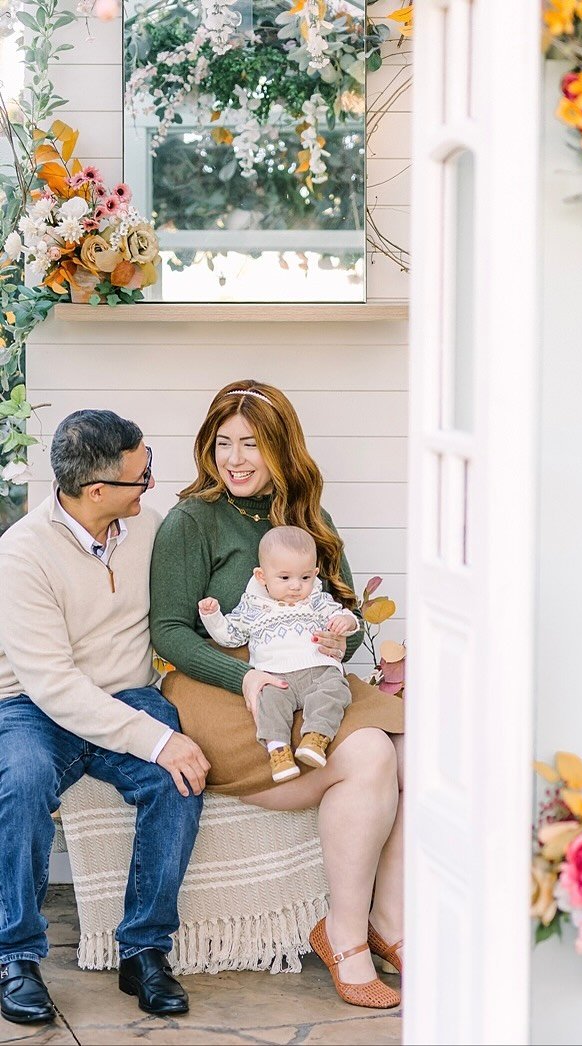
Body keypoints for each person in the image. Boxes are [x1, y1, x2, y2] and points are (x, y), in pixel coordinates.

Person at [150, 380, 405, 1009]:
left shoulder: (310, 521)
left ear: (281, 451)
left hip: (307, 671)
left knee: (413, 742)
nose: (235, 459)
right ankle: (343, 938)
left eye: (253, 445)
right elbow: (171, 631)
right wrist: (242, 675)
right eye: (224, 443)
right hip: (222, 679)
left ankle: (390, 920)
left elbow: (342, 611)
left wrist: (335, 638)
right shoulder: (191, 521)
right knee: (369, 755)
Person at [0, 411, 210, 1027]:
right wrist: (154, 738)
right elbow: (53, 683)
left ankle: (144, 949)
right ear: (98, 492)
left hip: (127, 693)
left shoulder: (147, 524)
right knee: (20, 782)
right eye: (141, 476)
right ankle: (14, 954)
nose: (151, 485)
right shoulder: (21, 554)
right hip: (35, 706)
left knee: (181, 775)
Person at [198, 524, 359, 783]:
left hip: (318, 670)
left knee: (335, 691)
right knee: (268, 703)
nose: (296, 586)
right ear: (262, 576)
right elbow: (230, 636)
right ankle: (279, 751)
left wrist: (346, 623)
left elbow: (342, 613)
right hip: (275, 676)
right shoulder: (253, 607)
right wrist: (212, 616)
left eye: (305, 577)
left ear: (315, 573)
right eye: (284, 578)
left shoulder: (316, 600)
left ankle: (315, 739)